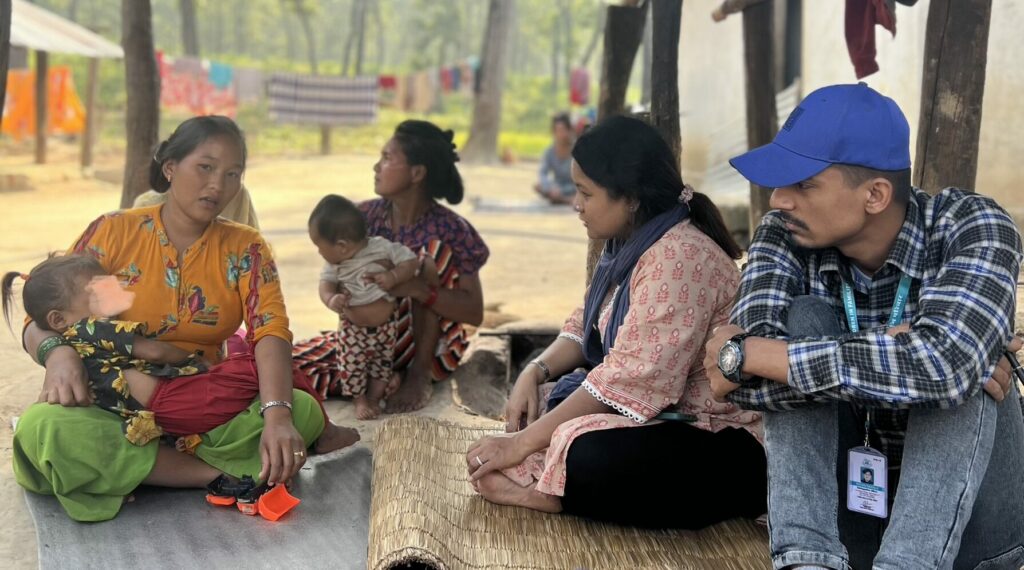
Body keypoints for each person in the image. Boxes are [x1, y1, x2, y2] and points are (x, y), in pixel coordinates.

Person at [704, 83, 1024, 569]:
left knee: (964, 380)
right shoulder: (782, 235)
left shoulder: (973, 226)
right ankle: (807, 561)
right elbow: (738, 386)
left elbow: (945, 371)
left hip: (977, 527)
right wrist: (907, 353)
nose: (779, 199)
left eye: (804, 184)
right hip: (848, 523)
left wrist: (758, 355)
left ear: (875, 194)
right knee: (812, 319)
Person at [12, 116, 358, 522]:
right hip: (118, 406)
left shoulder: (245, 247)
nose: (218, 185)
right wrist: (58, 355)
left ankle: (140, 470)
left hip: (205, 402)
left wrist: (278, 414)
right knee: (44, 429)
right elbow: (43, 316)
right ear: (170, 167)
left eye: (232, 174)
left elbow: (270, 330)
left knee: (301, 409)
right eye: (206, 167)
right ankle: (211, 474)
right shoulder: (116, 234)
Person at [464, 116, 766, 529]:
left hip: (720, 438)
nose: (576, 204)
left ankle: (547, 494)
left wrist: (517, 446)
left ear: (631, 199)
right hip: (660, 417)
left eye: (586, 193)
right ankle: (555, 473)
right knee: (551, 396)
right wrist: (532, 373)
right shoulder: (628, 245)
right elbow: (583, 326)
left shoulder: (680, 257)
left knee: (590, 456)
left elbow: (626, 382)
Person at [2, 254, 325, 446]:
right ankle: (328, 432)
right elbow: (154, 354)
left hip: (148, 421)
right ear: (58, 318)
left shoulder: (74, 342)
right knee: (263, 366)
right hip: (175, 401)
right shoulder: (92, 327)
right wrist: (195, 361)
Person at [294, 120, 489, 413]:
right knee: (290, 367)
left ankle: (417, 375)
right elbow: (334, 271)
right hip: (367, 337)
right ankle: (385, 380)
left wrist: (419, 290)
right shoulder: (363, 217)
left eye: (386, 158)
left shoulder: (452, 229)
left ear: (417, 173)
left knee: (429, 255)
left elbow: (474, 311)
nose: (376, 166)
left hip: (429, 345)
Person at [307, 194, 427, 420]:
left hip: (386, 328)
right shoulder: (336, 264)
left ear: (342, 246)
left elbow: (411, 262)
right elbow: (325, 286)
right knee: (352, 366)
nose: (319, 253)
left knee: (382, 365)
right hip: (353, 329)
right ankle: (360, 400)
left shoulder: (382, 248)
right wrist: (332, 299)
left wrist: (393, 276)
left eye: (319, 246)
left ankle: (374, 398)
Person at [533, 112, 576, 205]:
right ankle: (564, 199)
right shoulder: (549, 152)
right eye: (557, 130)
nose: (560, 134)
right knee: (538, 186)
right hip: (557, 187)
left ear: (569, 130)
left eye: (563, 130)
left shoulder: (577, 150)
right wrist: (550, 187)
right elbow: (543, 173)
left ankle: (564, 199)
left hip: (574, 187)